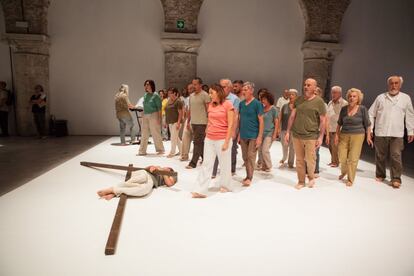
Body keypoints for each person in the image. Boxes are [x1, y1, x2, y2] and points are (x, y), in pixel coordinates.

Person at [368, 75, 414, 188]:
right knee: (380, 155)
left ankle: (396, 178)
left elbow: (410, 115)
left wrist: (411, 131)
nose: (394, 85)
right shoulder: (380, 97)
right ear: (388, 84)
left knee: (396, 156)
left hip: (397, 133)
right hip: (381, 131)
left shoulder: (405, 98)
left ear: (400, 84)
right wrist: (371, 129)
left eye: (396, 83)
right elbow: (371, 113)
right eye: (391, 83)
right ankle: (380, 174)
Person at [192, 84, 235, 198]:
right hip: (210, 138)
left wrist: (227, 141)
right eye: (209, 93)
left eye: (212, 93)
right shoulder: (210, 105)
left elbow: (231, 124)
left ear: (218, 92)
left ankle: (226, 185)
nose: (210, 95)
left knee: (224, 164)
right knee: (206, 164)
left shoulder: (228, 104)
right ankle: (200, 190)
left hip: (222, 139)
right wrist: (207, 133)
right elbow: (210, 121)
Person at [285, 78, 326, 189]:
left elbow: (323, 120)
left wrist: (321, 137)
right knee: (299, 159)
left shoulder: (319, 102)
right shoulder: (298, 100)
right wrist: (288, 131)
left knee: (310, 158)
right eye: (305, 85)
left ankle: (311, 177)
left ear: (314, 87)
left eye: (309, 85)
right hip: (297, 134)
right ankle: (301, 181)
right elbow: (292, 116)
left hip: (311, 135)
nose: (306, 87)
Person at [335, 88, 373, 186]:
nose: (352, 98)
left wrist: (368, 136)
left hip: (358, 135)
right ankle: (344, 171)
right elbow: (339, 124)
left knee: (353, 158)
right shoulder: (344, 109)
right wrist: (336, 135)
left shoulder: (362, 109)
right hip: (344, 135)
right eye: (350, 96)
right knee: (342, 156)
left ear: (358, 98)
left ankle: (350, 179)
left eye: (354, 96)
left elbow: (368, 124)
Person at [212, 78, 240, 178]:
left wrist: (233, 130)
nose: (221, 89)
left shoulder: (235, 99)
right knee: (215, 148)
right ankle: (213, 171)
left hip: (230, 127)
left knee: (231, 149)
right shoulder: (216, 98)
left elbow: (236, 115)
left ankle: (231, 170)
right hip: (218, 127)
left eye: (223, 87)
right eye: (220, 87)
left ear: (229, 88)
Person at [97, 166, 177, 200]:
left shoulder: (171, 174)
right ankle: (114, 191)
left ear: (170, 170)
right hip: (145, 174)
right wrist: (151, 167)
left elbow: (169, 184)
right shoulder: (159, 167)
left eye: (167, 168)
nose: (165, 167)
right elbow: (146, 169)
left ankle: (113, 191)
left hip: (151, 182)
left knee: (144, 190)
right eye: (165, 167)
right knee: (135, 180)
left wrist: (164, 173)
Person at [238, 81, 264, 186]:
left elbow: (261, 121)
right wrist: (239, 133)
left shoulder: (257, 104)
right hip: (243, 134)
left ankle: (249, 177)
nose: (244, 91)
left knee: (251, 156)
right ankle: (247, 175)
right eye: (243, 89)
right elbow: (240, 119)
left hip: (253, 134)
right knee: (245, 157)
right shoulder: (241, 104)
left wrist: (260, 137)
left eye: (246, 89)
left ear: (252, 91)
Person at [186, 77, 210, 169]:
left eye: (195, 84)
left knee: (197, 142)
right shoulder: (191, 96)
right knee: (200, 143)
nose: (193, 86)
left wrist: (209, 123)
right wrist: (188, 121)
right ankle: (206, 159)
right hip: (194, 122)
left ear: (200, 85)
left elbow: (208, 110)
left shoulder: (205, 95)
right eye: (193, 84)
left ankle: (193, 163)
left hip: (202, 123)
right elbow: (190, 110)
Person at [138, 80, 165, 155]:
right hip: (145, 115)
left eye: (147, 84)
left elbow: (159, 108)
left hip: (154, 114)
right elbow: (145, 106)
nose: (146, 86)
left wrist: (160, 119)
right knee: (144, 133)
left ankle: (160, 150)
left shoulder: (156, 95)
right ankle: (142, 151)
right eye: (145, 85)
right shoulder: (145, 95)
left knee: (155, 132)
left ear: (151, 85)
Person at [326, 86, 348, 167]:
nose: (333, 94)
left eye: (335, 92)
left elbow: (345, 117)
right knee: (330, 146)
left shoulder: (344, 103)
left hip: (338, 128)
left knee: (335, 146)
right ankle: (333, 160)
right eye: (332, 92)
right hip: (330, 127)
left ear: (340, 93)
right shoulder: (330, 103)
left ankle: (336, 162)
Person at [257, 91, 278, 172]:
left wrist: (275, 134)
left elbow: (276, 122)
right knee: (260, 150)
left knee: (265, 150)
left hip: (269, 132)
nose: (263, 101)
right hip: (260, 132)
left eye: (264, 99)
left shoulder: (273, 109)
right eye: (262, 99)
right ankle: (263, 165)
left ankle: (269, 166)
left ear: (269, 99)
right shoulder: (261, 109)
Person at [278, 89, 297, 168]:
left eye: (292, 95)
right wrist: (278, 128)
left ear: (296, 96)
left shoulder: (298, 107)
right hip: (284, 129)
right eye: (290, 94)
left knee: (292, 147)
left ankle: (290, 162)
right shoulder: (285, 106)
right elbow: (280, 117)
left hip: (294, 130)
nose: (290, 96)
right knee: (284, 145)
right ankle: (284, 157)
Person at [165, 87, 184, 158]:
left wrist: (179, 122)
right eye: (169, 93)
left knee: (173, 138)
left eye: (171, 93)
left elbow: (180, 113)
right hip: (170, 121)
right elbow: (167, 111)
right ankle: (182, 151)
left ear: (175, 93)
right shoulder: (168, 101)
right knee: (176, 138)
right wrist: (166, 122)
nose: (169, 94)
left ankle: (172, 152)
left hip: (176, 121)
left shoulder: (178, 101)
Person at [180, 83, 194, 161]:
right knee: (185, 137)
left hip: (197, 120)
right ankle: (184, 155)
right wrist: (187, 120)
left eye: (191, 88)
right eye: (189, 89)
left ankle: (201, 156)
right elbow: (187, 110)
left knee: (198, 140)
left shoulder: (202, 96)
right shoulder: (188, 98)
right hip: (188, 119)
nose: (189, 90)